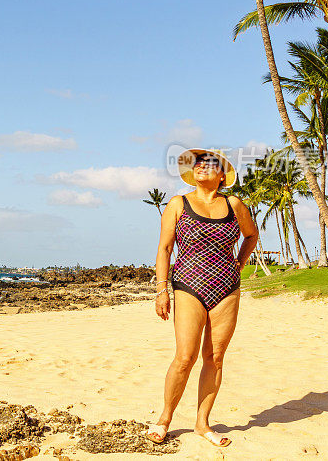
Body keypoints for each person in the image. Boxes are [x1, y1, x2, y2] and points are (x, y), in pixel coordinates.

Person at [145, 148, 258, 447]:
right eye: (198, 163)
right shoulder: (178, 204)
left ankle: (202, 423)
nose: (202, 167)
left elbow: (251, 235)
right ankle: (164, 419)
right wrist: (161, 289)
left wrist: (240, 262)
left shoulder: (234, 204)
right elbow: (165, 249)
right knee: (185, 357)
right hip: (188, 285)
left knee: (215, 358)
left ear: (222, 176)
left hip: (227, 287)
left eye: (210, 164)